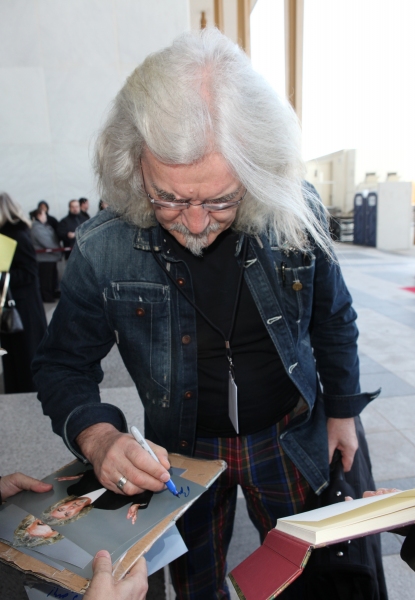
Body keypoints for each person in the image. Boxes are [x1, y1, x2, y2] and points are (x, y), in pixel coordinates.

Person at [33, 29, 381, 599]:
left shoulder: (294, 211)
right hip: (180, 454)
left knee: (306, 578)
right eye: (168, 197)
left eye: (221, 199)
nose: (195, 224)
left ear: (258, 170)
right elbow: (60, 365)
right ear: (133, 167)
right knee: (195, 585)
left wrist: (342, 411)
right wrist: (98, 440)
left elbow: (333, 317)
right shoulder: (104, 247)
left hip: (289, 435)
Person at [0, 473, 148, 600]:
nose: (69, 508)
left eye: (39, 522)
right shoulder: (109, 511)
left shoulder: (73, 489)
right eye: (66, 513)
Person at [0, 192, 47, 393]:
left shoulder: (17, 235)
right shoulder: (6, 235)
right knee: (12, 355)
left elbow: (29, 273)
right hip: (11, 304)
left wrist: (3, 277)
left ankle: (28, 392)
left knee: (25, 354)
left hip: (23, 306)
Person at [30, 208, 61, 302]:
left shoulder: (44, 226)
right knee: (45, 280)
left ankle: (51, 294)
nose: (46, 216)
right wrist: (57, 250)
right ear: (39, 215)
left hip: (50, 257)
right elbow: (47, 242)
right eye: (44, 214)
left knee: (51, 279)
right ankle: (46, 297)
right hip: (44, 259)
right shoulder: (37, 228)